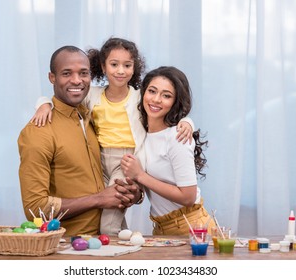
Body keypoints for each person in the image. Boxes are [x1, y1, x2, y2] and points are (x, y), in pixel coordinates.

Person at [31, 38, 194, 235]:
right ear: (103, 66)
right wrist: (43, 104)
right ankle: (126, 244)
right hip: (98, 160)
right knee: (104, 213)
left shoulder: (139, 96)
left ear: (135, 68)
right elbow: (62, 96)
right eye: (114, 64)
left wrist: (187, 122)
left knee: (108, 222)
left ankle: (115, 254)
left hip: (125, 162)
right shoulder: (92, 95)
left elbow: (162, 106)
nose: (120, 70)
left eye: (127, 65)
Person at [18, 45, 141, 237]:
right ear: (52, 78)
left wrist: (134, 195)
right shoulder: (39, 131)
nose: (76, 80)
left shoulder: (89, 116)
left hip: (107, 241)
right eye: (66, 73)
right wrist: (99, 199)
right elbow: (35, 209)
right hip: (68, 246)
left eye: (83, 73)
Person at [120, 66, 216, 235]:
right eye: (152, 91)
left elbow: (187, 197)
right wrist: (136, 193)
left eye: (166, 96)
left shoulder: (177, 137)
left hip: (191, 226)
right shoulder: (140, 134)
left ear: (175, 102)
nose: (156, 99)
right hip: (161, 227)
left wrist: (140, 175)